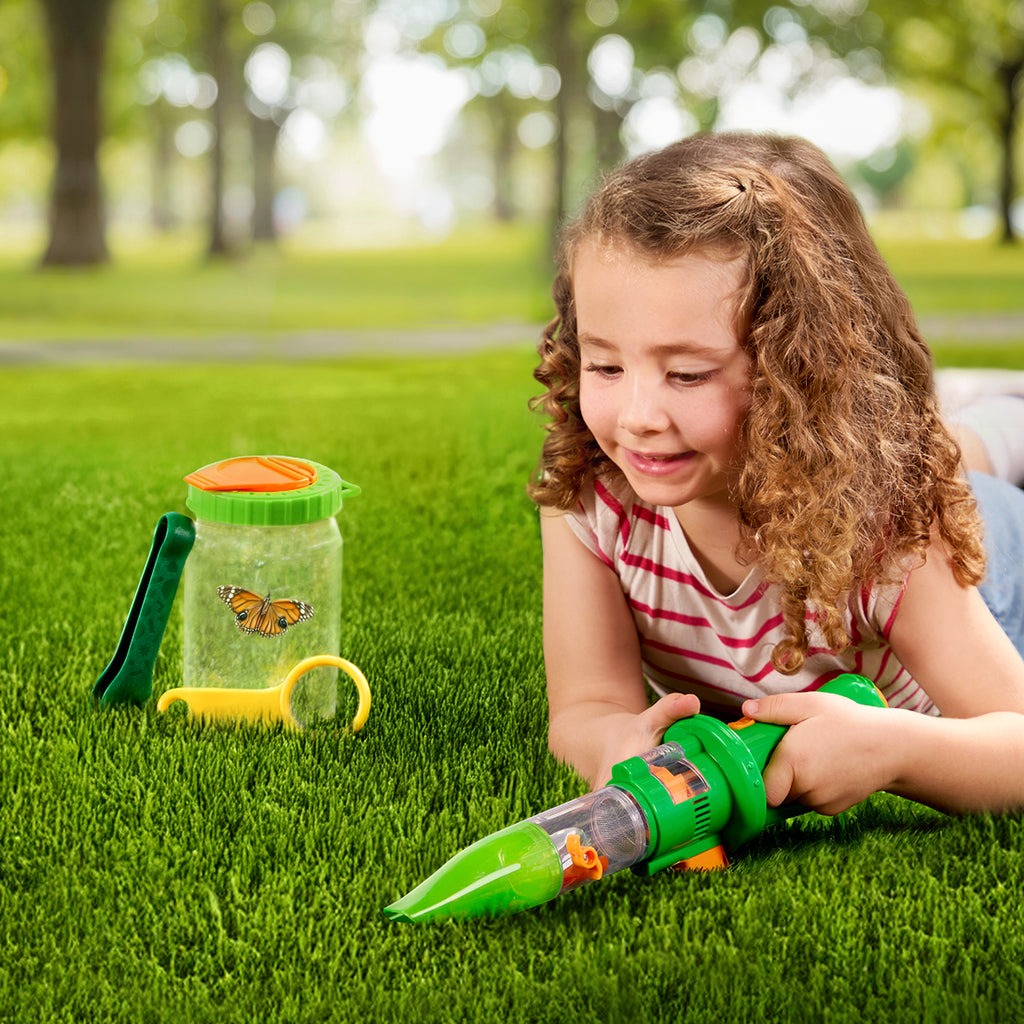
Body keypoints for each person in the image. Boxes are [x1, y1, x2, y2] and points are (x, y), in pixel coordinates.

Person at [529, 131, 1024, 818]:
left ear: (799, 370)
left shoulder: (893, 530)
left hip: (997, 563)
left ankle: (999, 416)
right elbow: (586, 706)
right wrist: (613, 743)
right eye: (606, 365)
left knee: (959, 463)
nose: (638, 417)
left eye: (687, 374)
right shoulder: (591, 499)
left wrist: (897, 751)